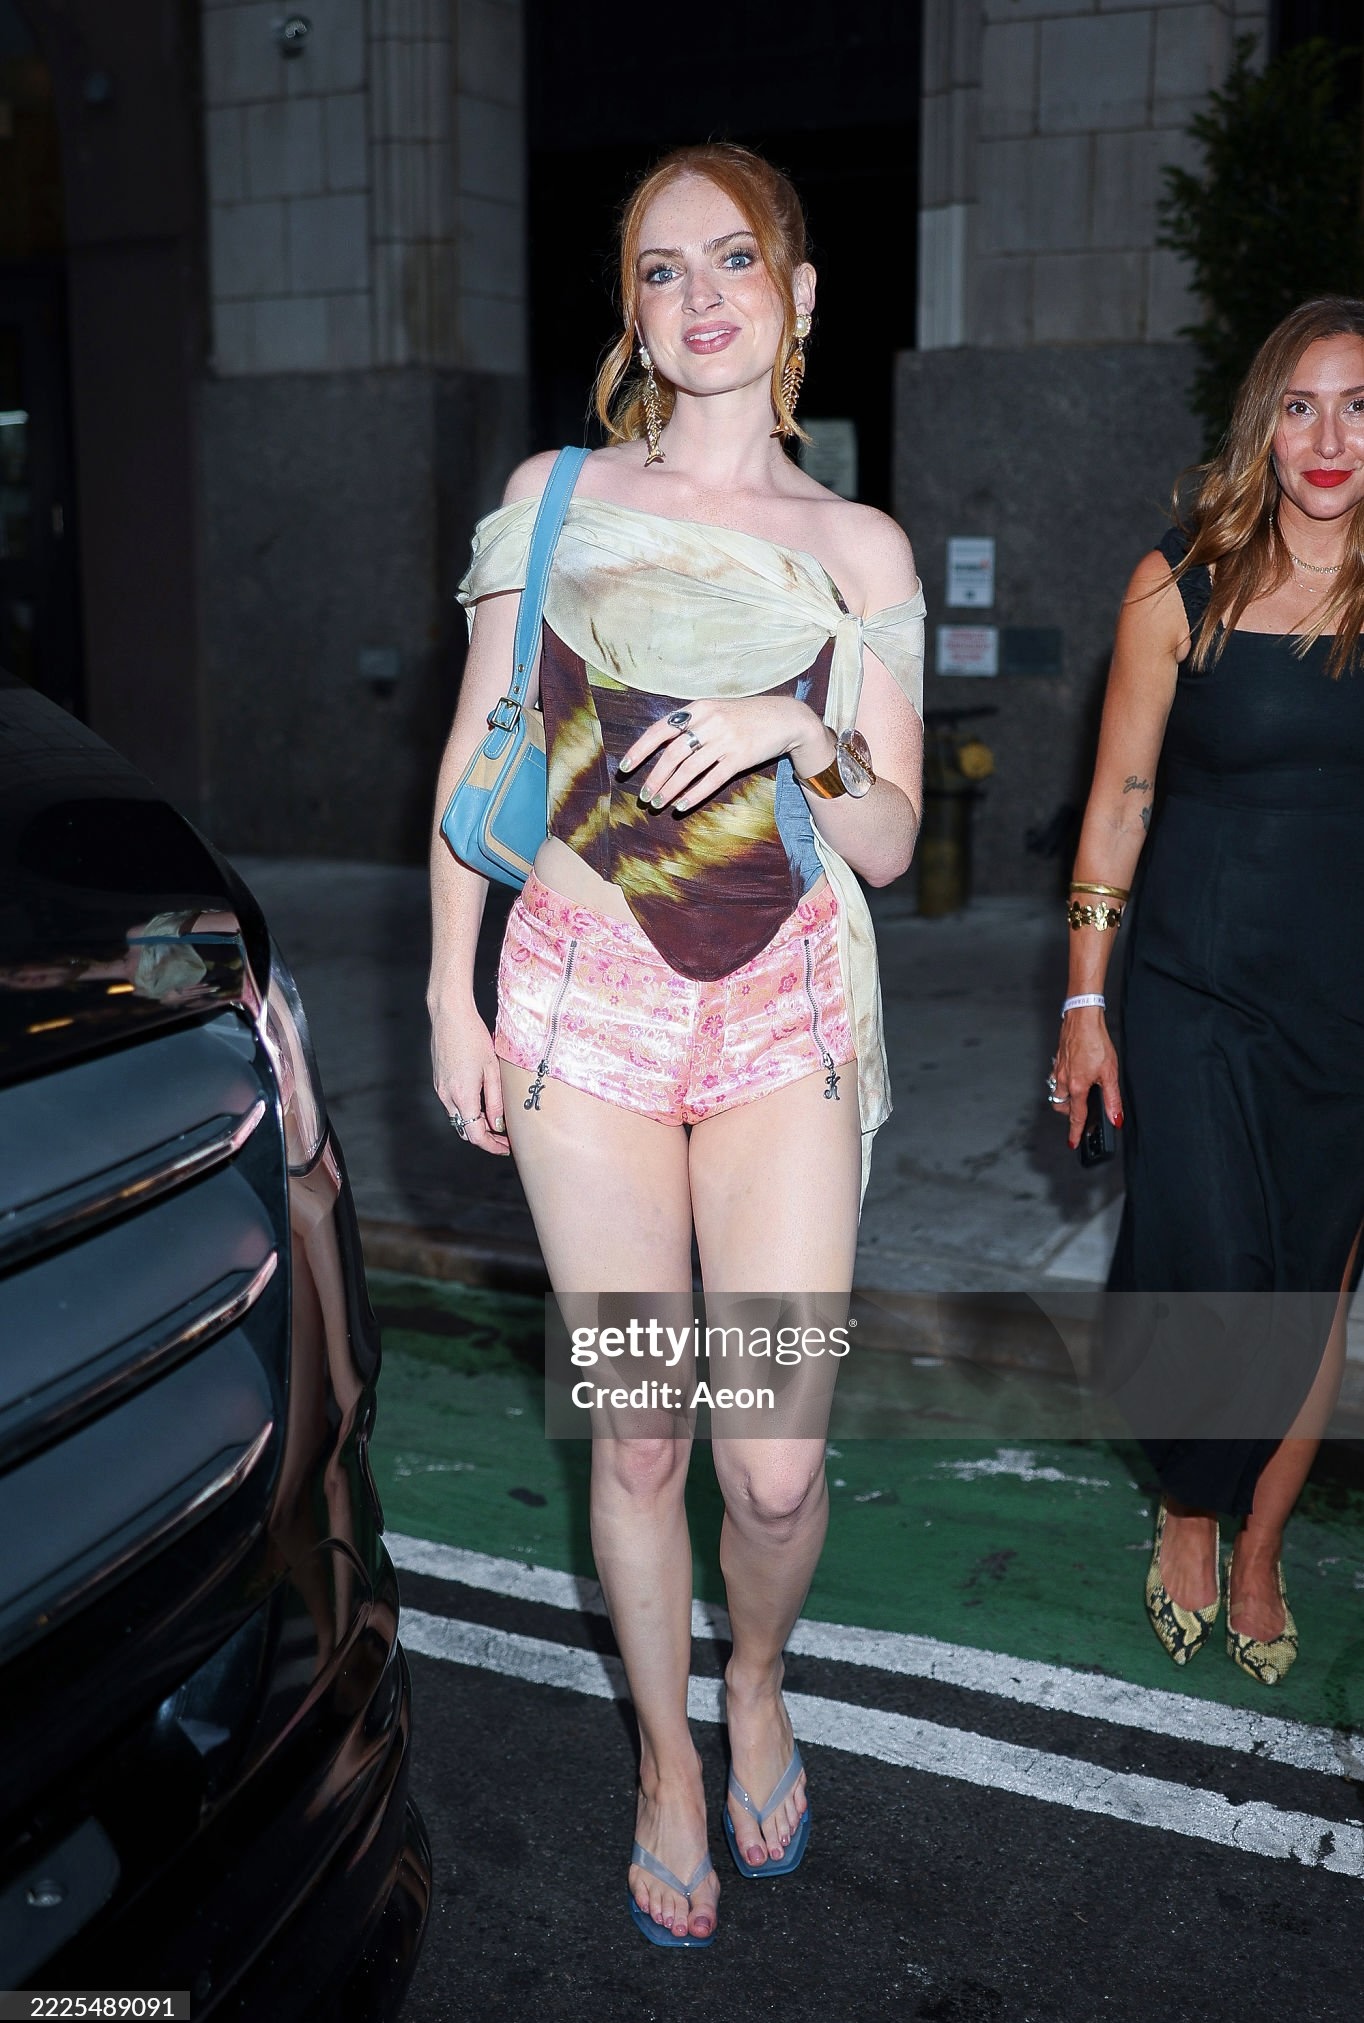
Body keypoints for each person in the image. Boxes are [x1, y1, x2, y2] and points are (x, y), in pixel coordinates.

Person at [426, 144, 924, 1944]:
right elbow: (481, 745)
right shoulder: (554, 496)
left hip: (784, 1001)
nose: (699, 295)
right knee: (641, 1437)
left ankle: (756, 1679)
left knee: (771, 1462)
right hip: (583, 995)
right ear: (631, 314)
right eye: (660, 269)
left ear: (798, 294)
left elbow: (887, 838)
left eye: (734, 259)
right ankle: (663, 1760)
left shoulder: (858, 549)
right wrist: (450, 991)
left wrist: (796, 723)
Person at [1051, 298, 1364, 1688]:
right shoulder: (1177, 585)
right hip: (1194, 991)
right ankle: (1190, 1505)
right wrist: (1085, 1003)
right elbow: (1119, 801)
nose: (1330, 438)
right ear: (1262, 426)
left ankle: (1260, 1549)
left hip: (1348, 1012)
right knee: (1219, 1268)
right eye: (1301, 405)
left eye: (1360, 406)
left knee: (1310, 1290)